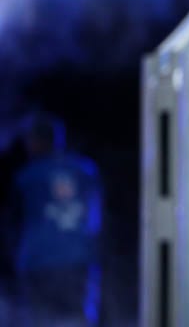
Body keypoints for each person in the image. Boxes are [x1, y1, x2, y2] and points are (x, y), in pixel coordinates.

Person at [11, 112, 103, 327]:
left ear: (36, 141)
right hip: (79, 260)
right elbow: (96, 219)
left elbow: (13, 224)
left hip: (38, 263)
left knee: (39, 320)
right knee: (79, 318)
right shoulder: (85, 170)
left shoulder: (26, 177)